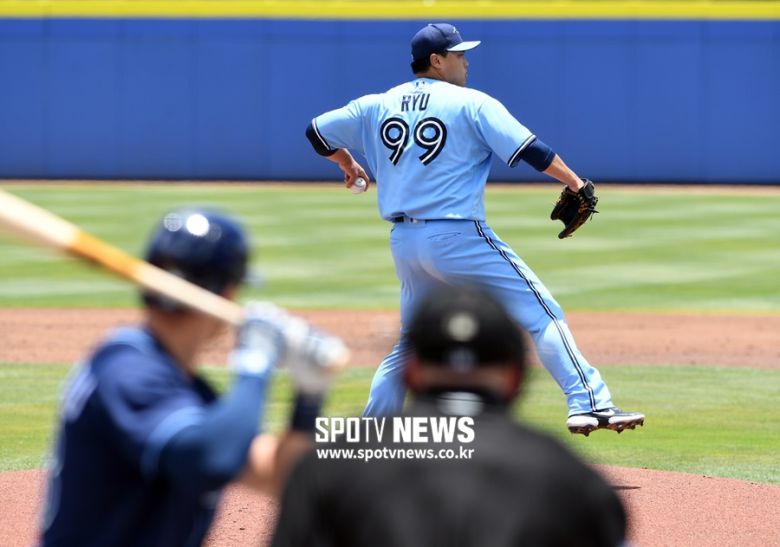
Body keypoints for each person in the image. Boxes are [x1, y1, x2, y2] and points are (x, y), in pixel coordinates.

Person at [305, 22, 644, 435]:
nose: (466, 61)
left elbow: (316, 132)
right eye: (459, 54)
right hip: (457, 235)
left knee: (412, 343)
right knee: (543, 314)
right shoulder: (472, 103)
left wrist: (346, 163)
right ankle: (590, 403)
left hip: (406, 242)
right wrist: (576, 183)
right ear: (436, 61)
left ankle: (373, 433)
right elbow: (532, 150)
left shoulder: (375, 104)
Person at [39, 207, 335, 546]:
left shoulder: (175, 384)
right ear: (227, 293)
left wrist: (308, 398)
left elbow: (276, 475)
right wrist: (255, 362)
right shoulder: (129, 373)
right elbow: (213, 460)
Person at [271, 285, 628, 547]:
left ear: (408, 372)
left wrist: (308, 399)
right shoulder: (565, 472)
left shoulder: (333, 462)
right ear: (516, 378)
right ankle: (590, 400)